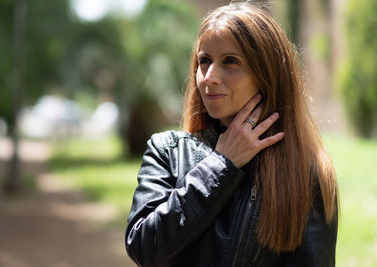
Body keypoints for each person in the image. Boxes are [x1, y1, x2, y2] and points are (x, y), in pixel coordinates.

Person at [125, 1, 338, 266]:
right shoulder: (167, 151)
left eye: (231, 61)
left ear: (267, 75)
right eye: (204, 61)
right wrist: (221, 165)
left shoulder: (305, 171)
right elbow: (143, 247)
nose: (209, 77)